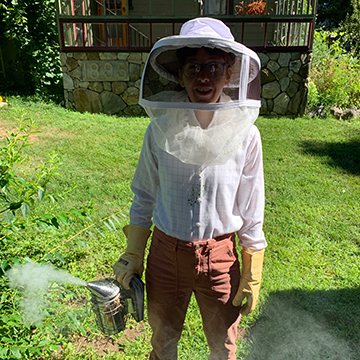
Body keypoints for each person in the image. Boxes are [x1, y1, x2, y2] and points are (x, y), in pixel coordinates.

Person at [113, 17, 267, 360]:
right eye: (193, 66)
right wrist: (135, 252)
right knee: (163, 341)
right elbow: (144, 195)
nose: (203, 76)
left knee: (224, 346)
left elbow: (252, 207)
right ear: (179, 75)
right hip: (167, 256)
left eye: (214, 66)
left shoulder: (247, 135)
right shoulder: (159, 130)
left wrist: (252, 267)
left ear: (229, 74)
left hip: (222, 259)